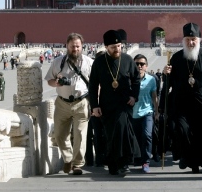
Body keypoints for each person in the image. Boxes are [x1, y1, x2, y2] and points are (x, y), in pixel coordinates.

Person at [163, 22, 202, 173]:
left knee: (200, 133)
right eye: (188, 39)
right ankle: (185, 157)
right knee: (182, 129)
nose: (191, 42)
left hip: (201, 101)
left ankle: (195, 163)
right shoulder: (175, 58)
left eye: (193, 39)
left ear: (199, 40)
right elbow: (169, 82)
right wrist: (166, 74)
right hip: (181, 101)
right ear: (184, 41)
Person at [89, 30, 141, 176]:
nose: (117, 49)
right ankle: (113, 163)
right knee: (111, 134)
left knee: (122, 128)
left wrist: (134, 96)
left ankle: (124, 163)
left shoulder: (127, 60)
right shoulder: (99, 62)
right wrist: (95, 106)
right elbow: (93, 85)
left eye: (119, 46)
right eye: (113, 47)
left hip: (125, 103)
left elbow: (136, 79)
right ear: (106, 47)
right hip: (106, 104)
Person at [44, 33, 93, 176]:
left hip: (82, 102)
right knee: (59, 134)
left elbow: (96, 83)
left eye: (78, 46)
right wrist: (56, 82)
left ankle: (77, 164)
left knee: (80, 134)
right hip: (62, 103)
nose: (75, 49)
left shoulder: (89, 62)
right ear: (67, 46)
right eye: (72, 46)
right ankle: (68, 158)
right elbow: (49, 80)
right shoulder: (57, 62)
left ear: (82, 46)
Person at [132, 54, 159, 173]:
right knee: (137, 137)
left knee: (147, 135)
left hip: (147, 112)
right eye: (136, 64)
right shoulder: (128, 79)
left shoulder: (151, 79)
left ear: (146, 66)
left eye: (142, 64)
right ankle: (138, 158)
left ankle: (146, 162)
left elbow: (154, 97)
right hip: (133, 113)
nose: (139, 66)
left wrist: (157, 112)